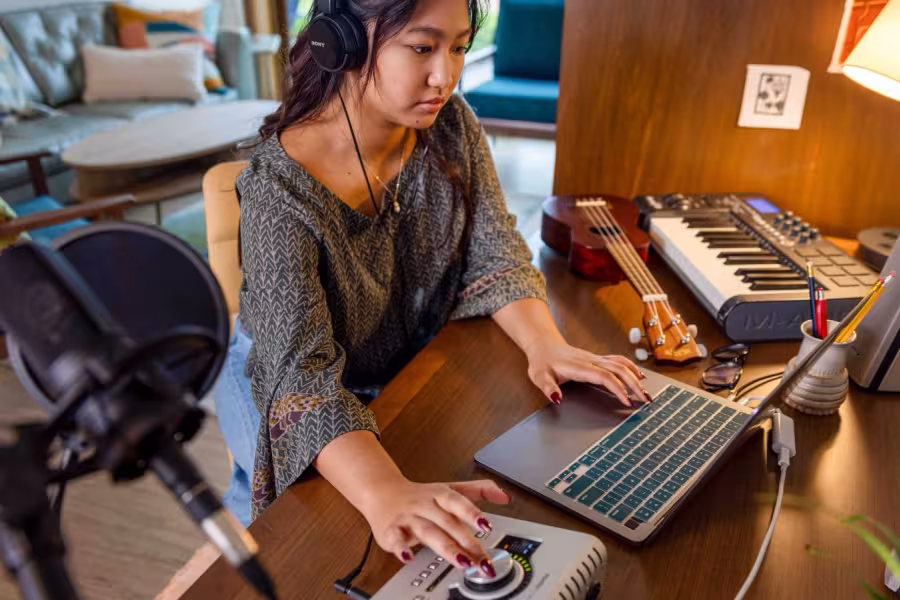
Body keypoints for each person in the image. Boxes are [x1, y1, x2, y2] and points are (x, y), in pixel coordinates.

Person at [215, 0, 650, 579]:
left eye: (459, 47)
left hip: (392, 370)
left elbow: (495, 251)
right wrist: (383, 492)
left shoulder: (448, 124)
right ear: (339, 44)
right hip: (277, 378)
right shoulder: (277, 192)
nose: (445, 76)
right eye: (421, 47)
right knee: (286, 543)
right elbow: (300, 382)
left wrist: (547, 345)